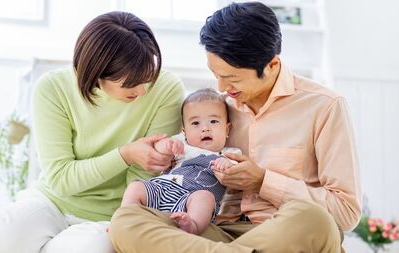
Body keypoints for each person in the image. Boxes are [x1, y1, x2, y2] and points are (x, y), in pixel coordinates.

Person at [109, 2, 362, 253]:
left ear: (272, 65)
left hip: (284, 233)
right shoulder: (216, 110)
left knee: (311, 219)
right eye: (216, 74)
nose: (221, 87)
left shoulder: (325, 106)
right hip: (216, 233)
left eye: (232, 78)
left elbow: (346, 213)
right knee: (126, 221)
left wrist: (263, 181)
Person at [0, 11, 184, 253]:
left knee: (91, 247)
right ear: (96, 73)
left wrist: (127, 224)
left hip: (111, 215)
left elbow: (141, 183)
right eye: (130, 84)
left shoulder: (166, 90)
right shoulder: (53, 88)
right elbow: (61, 179)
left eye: (147, 76)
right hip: (50, 203)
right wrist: (125, 155)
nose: (142, 90)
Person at [121, 88, 241, 235]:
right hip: (162, 189)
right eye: (196, 123)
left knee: (205, 197)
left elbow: (239, 176)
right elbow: (158, 150)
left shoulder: (230, 154)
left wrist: (227, 166)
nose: (205, 128)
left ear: (227, 129)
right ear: (184, 132)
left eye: (214, 121)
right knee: (135, 187)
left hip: (190, 201)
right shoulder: (181, 145)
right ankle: (123, 221)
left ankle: (192, 225)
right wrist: (167, 145)